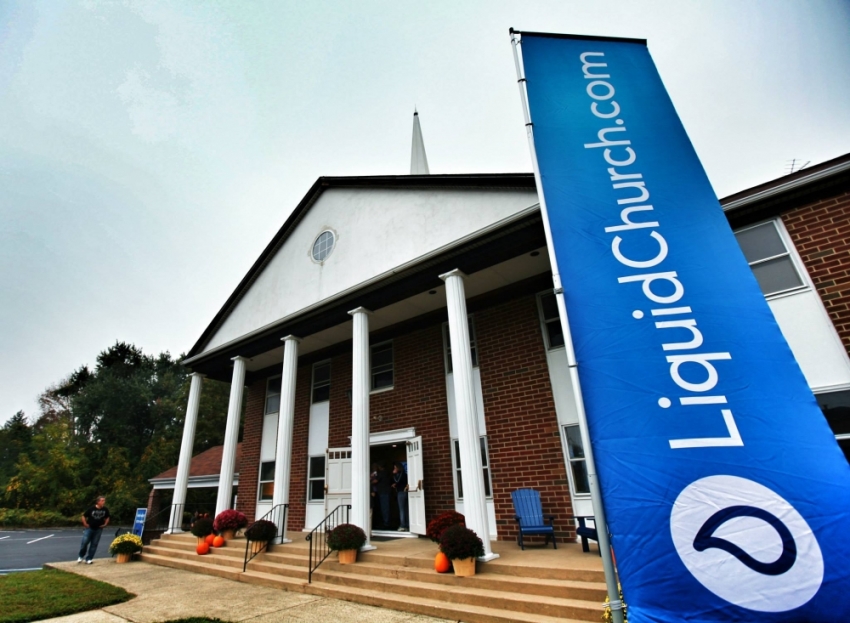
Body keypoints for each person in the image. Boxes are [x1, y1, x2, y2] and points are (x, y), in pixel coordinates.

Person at [78, 496, 110, 564]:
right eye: (102, 501)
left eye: (104, 500)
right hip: (89, 528)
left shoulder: (105, 509)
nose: (103, 502)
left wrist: (105, 524)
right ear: (98, 502)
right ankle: (81, 556)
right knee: (85, 542)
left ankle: (89, 558)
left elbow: (107, 517)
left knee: (94, 544)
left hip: (98, 529)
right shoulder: (91, 509)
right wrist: (85, 523)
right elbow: (84, 516)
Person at [392, 461, 409, 532]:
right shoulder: (403, 474)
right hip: (403, 492)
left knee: (402, 509)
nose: (394, 469)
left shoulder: (402, 474)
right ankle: (407, 524)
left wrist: (394, 474)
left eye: (395, 468)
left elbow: (397, 481)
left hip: (401, 492)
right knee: (405, 509)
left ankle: (403, 525)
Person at [374, 462, 391, 529]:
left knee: (385, 508)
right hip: (385, 492)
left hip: (384, 492)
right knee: (385, 507)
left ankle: (386, 524)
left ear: (380, 467)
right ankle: (386, 522)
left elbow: (375, 481)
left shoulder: (382, 473)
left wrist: (369, 479)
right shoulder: (386, 473)